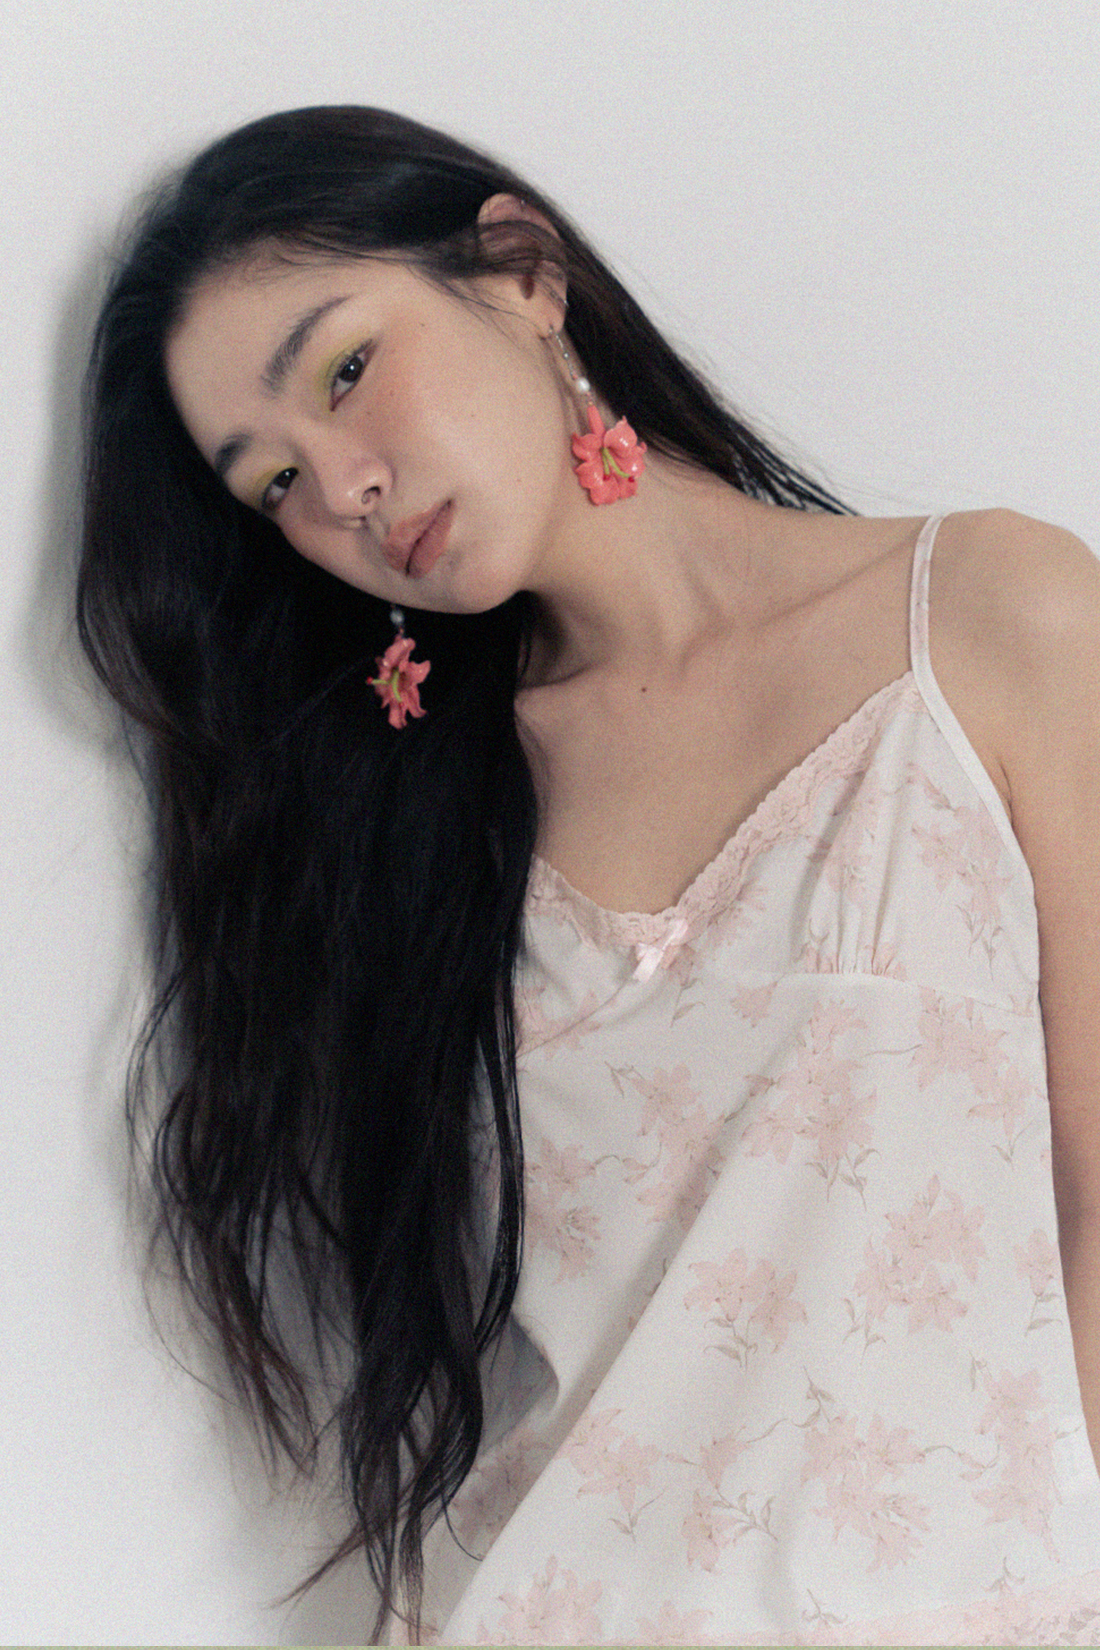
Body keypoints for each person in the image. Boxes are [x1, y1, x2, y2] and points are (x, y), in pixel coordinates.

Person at [79, 105, 1100, 1645]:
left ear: (521, 269)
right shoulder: (412, 824)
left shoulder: (992, 617)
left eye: (345, 373)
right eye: (273, 481)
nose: (344, 489)